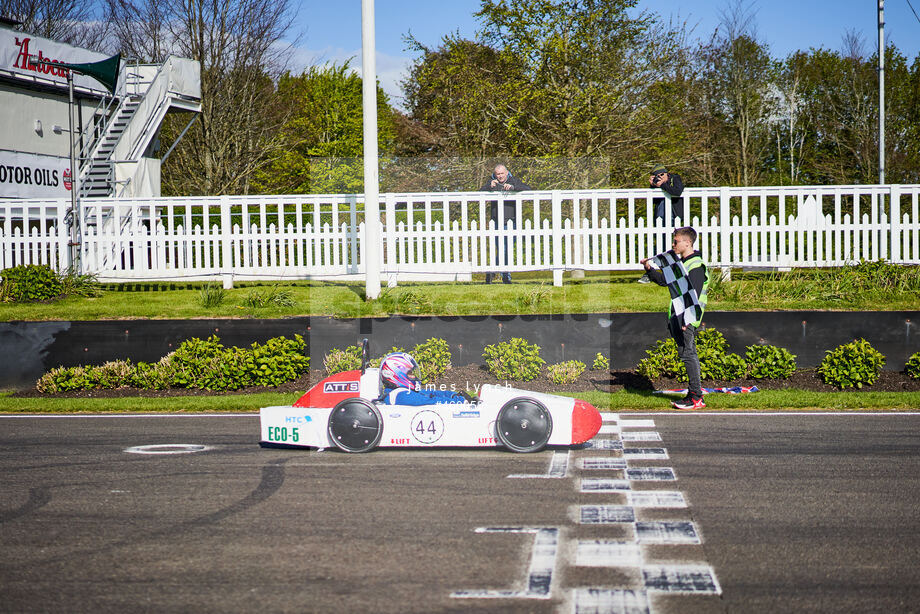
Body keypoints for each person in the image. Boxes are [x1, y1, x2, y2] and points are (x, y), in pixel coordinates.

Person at [640, 226, 710, 410]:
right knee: (687, 354)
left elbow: (692, 295)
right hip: (679, 318)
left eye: (676, 241)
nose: (673, 244)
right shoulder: (683, 264)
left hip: (687, 319)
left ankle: (696, 397)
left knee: (689, 355)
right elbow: (664, 281)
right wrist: (649, 268)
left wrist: (687, 321)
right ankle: (693, 394)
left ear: (688, 242)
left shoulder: (695, 266)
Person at [481, 164, 531, 284]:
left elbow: (528, 189)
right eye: (498, 174)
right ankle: (504, 276)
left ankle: (494, 272)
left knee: (508, 249)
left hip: (511, 221)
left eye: (502, 173)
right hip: (496, 221)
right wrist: (489, 186)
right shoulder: (491, 182)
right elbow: (479, 193)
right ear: (495, 174)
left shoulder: (513, 180)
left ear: (507, 173)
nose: (500, 176)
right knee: (501, 249)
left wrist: (513, 187)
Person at [638, 164, 685, 283]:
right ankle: (654, 271)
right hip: (660, 220)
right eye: (657, 176)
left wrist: (663, 185)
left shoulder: (675, 178)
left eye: (662, 175)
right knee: (660, 244)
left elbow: (677, 192)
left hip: (674, 218)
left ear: (667, 174)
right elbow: (653, 201)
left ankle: (672, 271)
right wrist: (653, 186)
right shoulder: (657, 185)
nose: (660, 177)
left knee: (673, 245)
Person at [378, 352, 466, 406]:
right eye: (410, 374)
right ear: (396, 374)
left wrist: (453, 395)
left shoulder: (400, 392)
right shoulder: (400, 396)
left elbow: (431, 393)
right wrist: (461, 401)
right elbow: (432, 401)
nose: (414, 377)